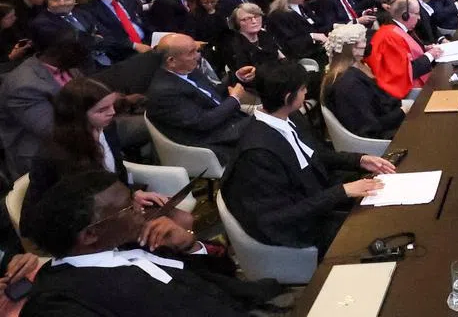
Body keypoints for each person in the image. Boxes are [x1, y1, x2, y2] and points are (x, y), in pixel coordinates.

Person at [20, 171, 275, 316]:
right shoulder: (60, 303)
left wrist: (189, 245)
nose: (141, 210)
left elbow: (225, 274)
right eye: (129, 208)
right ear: (89, 235)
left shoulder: (133, 241)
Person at [220, 61, 394, 254]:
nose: (305, 93)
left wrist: (359, 160)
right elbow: (280, 215)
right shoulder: (257, 154)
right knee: (373, 229)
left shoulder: (289, 116)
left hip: (313, 196)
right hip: (297, 227)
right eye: (303, 89)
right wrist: (342, 192)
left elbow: (314, 153)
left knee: (383, 199)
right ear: (288, 97)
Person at [24, 78, 189, 229]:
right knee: (176, 226)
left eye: (112, 105)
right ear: (78, 115)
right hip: (78, 225)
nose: (112, 113)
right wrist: (126, 206)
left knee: (184, 219)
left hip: (114, 207)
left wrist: (133, 194)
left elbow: (115, 171)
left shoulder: (107, 128)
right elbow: (74, 203)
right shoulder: (57, 154)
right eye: (102, 110)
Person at [145, 34, 252, 164]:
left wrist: (236, 77)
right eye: (191, 53)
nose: (198, 56)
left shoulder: (189, 69)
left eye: (197, 50)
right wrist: (234, 99)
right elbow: (203, 122)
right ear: (171, 61)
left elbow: (210, 95)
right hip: (211, 141)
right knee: (268, 132)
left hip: (227, 123)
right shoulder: (164, 92)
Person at [0, 33, 89, 177]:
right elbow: (52, 130)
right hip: (44, 153)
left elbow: (88, 97)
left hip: (86, 129)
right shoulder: (23, 86)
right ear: (63, 52)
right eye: (83, 52)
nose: (87, 56)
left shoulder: (69, 66)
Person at [321, 24, 405, 140]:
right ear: (353, 48)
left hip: (390, 122)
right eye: (363, 40)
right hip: (385, 138)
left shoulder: (352, 72)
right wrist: (402, 112)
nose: (367, 44)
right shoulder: (348, 84)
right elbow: (369, 127)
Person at [363, 0, 443, 101]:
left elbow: (407, 53)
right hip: (402, 95)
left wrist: (423, 49)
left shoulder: (396, 30)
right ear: (405, 15)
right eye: (417, 14)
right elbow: (407, 72)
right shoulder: (390, 37)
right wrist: (430, 55)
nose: (419, 18)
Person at [29, 0, 112, 67]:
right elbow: (76, 45)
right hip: (76, 70)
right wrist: (96, 39)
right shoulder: (41, 23)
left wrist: (94, 40)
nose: (62, 3)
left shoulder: (83, 13)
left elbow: (108, 36)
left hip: (107, 61)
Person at [83, 0, 151, 62]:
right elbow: (106, 36)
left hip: (146, 42)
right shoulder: (91, 10)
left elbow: (141, 21)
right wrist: (134, 45)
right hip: (123, 52)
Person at [229, 3, 285, 74]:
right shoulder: (236, 46)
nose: (254, 21)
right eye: (247, 19)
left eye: (257, 16)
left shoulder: (264, 35)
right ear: (237, 23)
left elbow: (281, 57)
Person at [0, 2, 34, 70]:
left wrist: (25, 44)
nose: (15, 18)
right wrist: (10, 57)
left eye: (14, 15)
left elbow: (18, 40)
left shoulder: (10, 28)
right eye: (10, 17)